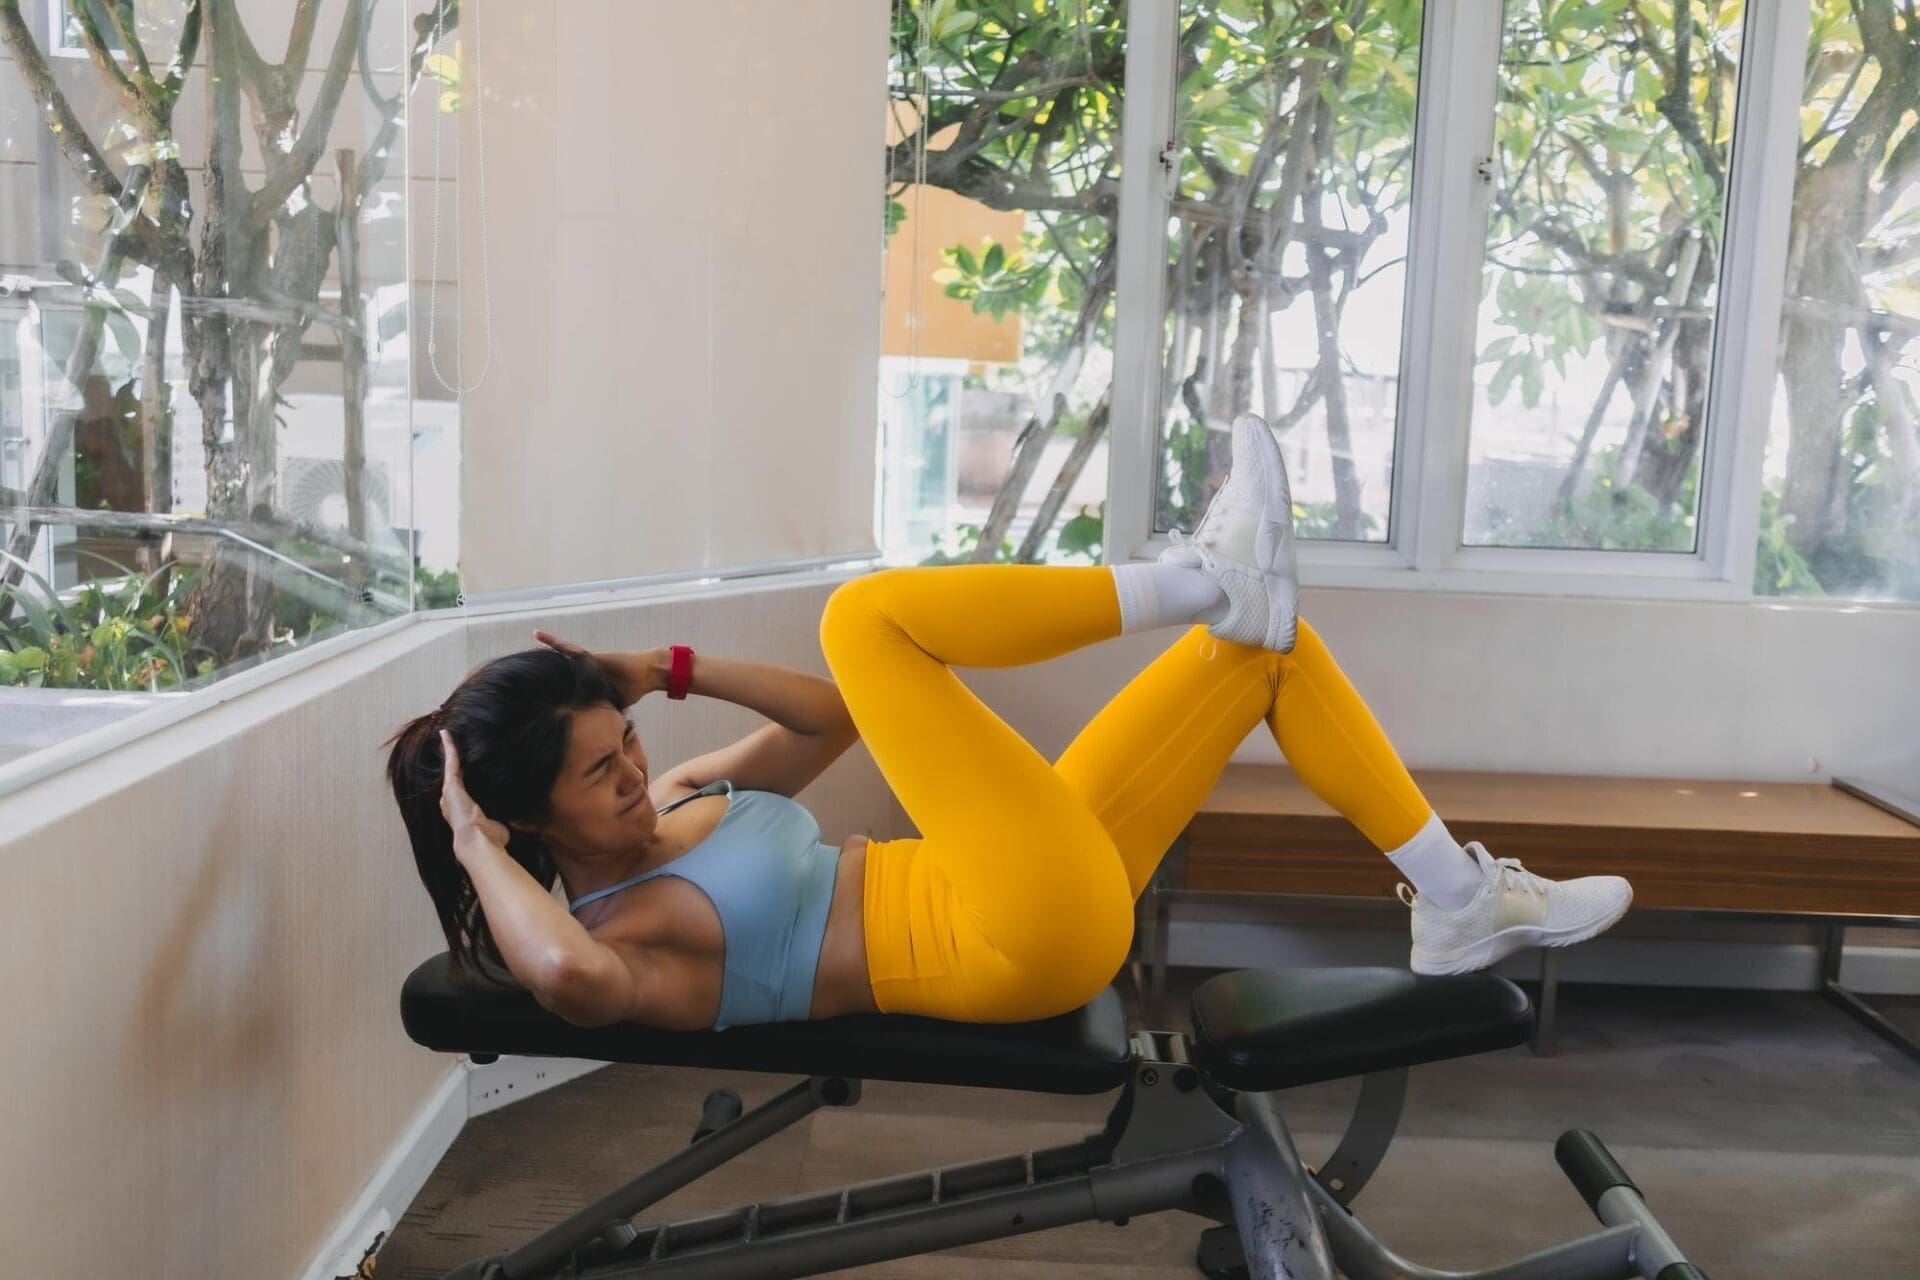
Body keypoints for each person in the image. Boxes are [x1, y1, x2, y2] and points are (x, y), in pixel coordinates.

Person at [386, 413, 1631, 1032]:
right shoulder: (618, 935)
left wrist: (663, 670)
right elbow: (557, 971)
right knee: (865, 619)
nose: (631, 774)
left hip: (1011, 875)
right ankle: (1197, 572)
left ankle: (1456, 897)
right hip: (1010, 938)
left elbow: (835, 725)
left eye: (625, 745)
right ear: (524, 818)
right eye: (599, 773)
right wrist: (471, 835)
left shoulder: (682, 798)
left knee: (1265, 653)